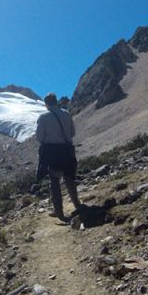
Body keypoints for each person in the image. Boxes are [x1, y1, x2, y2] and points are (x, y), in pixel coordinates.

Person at [36, 93, 84, 223]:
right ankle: (77, 204)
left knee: (55, 181)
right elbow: (72, 133)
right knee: (70, 178)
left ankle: (60, 213)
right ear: (56, 102)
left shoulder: (43, 117)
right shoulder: (66, 114)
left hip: (53, 151)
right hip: (67, 150)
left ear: (46, 104)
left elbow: (39, 137)